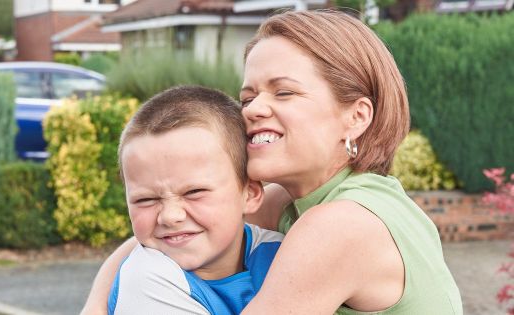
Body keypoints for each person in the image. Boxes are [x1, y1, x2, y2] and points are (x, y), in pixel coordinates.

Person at [82, 9, 463, 315]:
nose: (253, 110)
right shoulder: (302, 200)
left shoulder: (341, 224)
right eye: (248, 97)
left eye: (284, 92)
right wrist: (98, 303)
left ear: (356, 117)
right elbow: (155, 234)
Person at [107, 85, 283, 314]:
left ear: (250, 193)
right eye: (146, 199)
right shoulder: (145, 279)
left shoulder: (280, 251)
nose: (170, 216)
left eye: (194, 192)